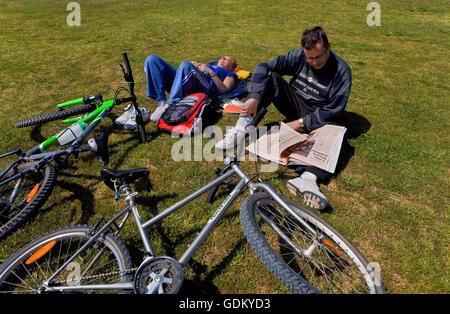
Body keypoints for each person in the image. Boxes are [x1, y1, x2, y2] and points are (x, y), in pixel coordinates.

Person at [215, 26, 352, 210]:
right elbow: (264, 67)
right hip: (295, 102)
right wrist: (254, 97)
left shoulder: (342, 71)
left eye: (318, 57)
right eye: (309, 58)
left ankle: (307, 180)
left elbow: (334, 109)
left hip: (320, 114)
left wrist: (301, 123)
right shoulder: (299, 56)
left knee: (338, 134)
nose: (313, 62)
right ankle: (243, 128)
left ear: (329, 46)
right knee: (270, 78)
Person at [142, 54, 239, 122]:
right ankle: (161, 103)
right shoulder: (211, 64)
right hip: (186, 81)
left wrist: (210, 72)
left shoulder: (230, 74)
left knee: (186, 65)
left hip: (202, 88)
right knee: (152, 60)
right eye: (222, 57)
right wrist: (193, 65)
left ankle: (171, 105)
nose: (222, 58)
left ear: (231, 67)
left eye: (226, 59)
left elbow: (223, 89)